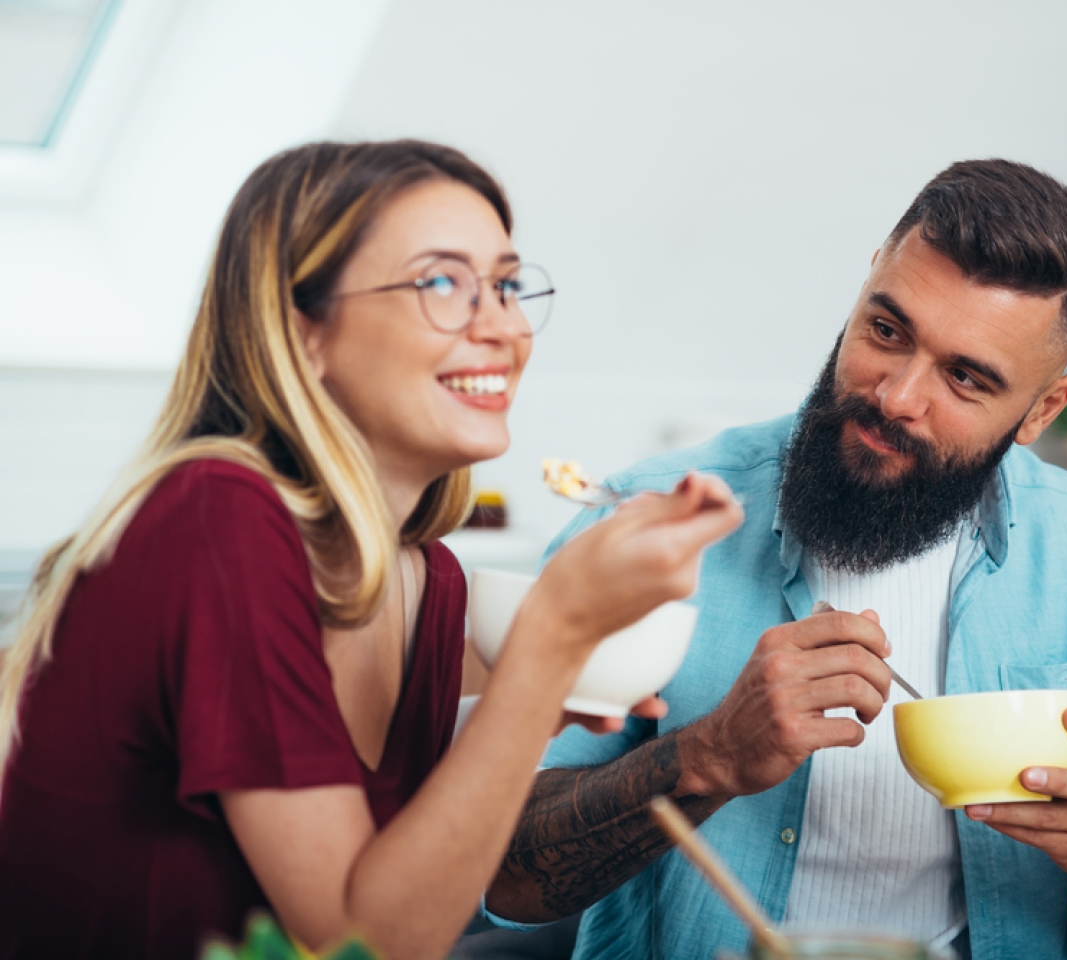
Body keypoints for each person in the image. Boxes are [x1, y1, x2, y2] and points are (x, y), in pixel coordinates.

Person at [0, 140, 742, 960]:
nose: (503, 325)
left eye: (503, 284)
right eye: (441, 283)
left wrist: (558, 676)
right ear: (300, 331)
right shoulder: (216, 520)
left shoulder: (430, 582)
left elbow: (416, 890)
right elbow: (360, 943)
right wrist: (549, 646)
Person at [484, 160, 1067, 960]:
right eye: (886, 331)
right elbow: (497, 874)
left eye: (965, 378)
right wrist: (708, 757)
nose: (896, 395)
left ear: (1042, 409)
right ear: (865, 287)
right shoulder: (647, 520)